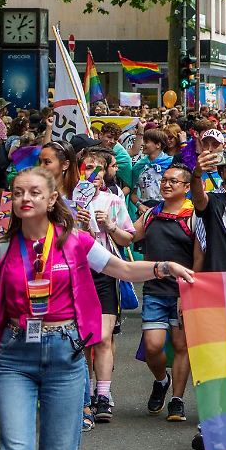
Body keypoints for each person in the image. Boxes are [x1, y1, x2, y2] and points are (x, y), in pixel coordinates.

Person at [0, 167, 194, 450]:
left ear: (51, 200)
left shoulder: (75, 242)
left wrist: (164, 267)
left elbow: (122, 270)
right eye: (18, 193)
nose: (25, 198)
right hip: (15, 359)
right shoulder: (0, 249)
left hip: (65, 355)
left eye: (34, 192)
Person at [74, 147, 136, 425]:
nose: (94, 174)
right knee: (82, 339)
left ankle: (103, 394)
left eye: (98, 169)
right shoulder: (67, 200)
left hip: (105, 272)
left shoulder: (113, 200)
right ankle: (85, 394)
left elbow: (127, 238)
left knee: (102, 336)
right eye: (88, 168)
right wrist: (76, 225)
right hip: (76, 273)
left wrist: (110, 226)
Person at [131, 163, 197, 424]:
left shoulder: (194, 216)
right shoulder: (151, 213)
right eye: (164, 180)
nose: (167, 184)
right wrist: (109, 226)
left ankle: (177, 400)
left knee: (182, 346)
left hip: (184, 291)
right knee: (153, 346)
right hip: (155, 289)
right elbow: (129, 236)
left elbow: (200, 256)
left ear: (187, 187)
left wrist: (189, 290)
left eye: (173, 181)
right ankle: (161, 380)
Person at [131, 128, 173, 212]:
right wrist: (140, 206)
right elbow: (133, 194)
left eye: (146, 142)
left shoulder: (171, 163)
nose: (143, 144)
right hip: (146, 211)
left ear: (158, 145)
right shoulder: (139, 166)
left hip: (168, 210)